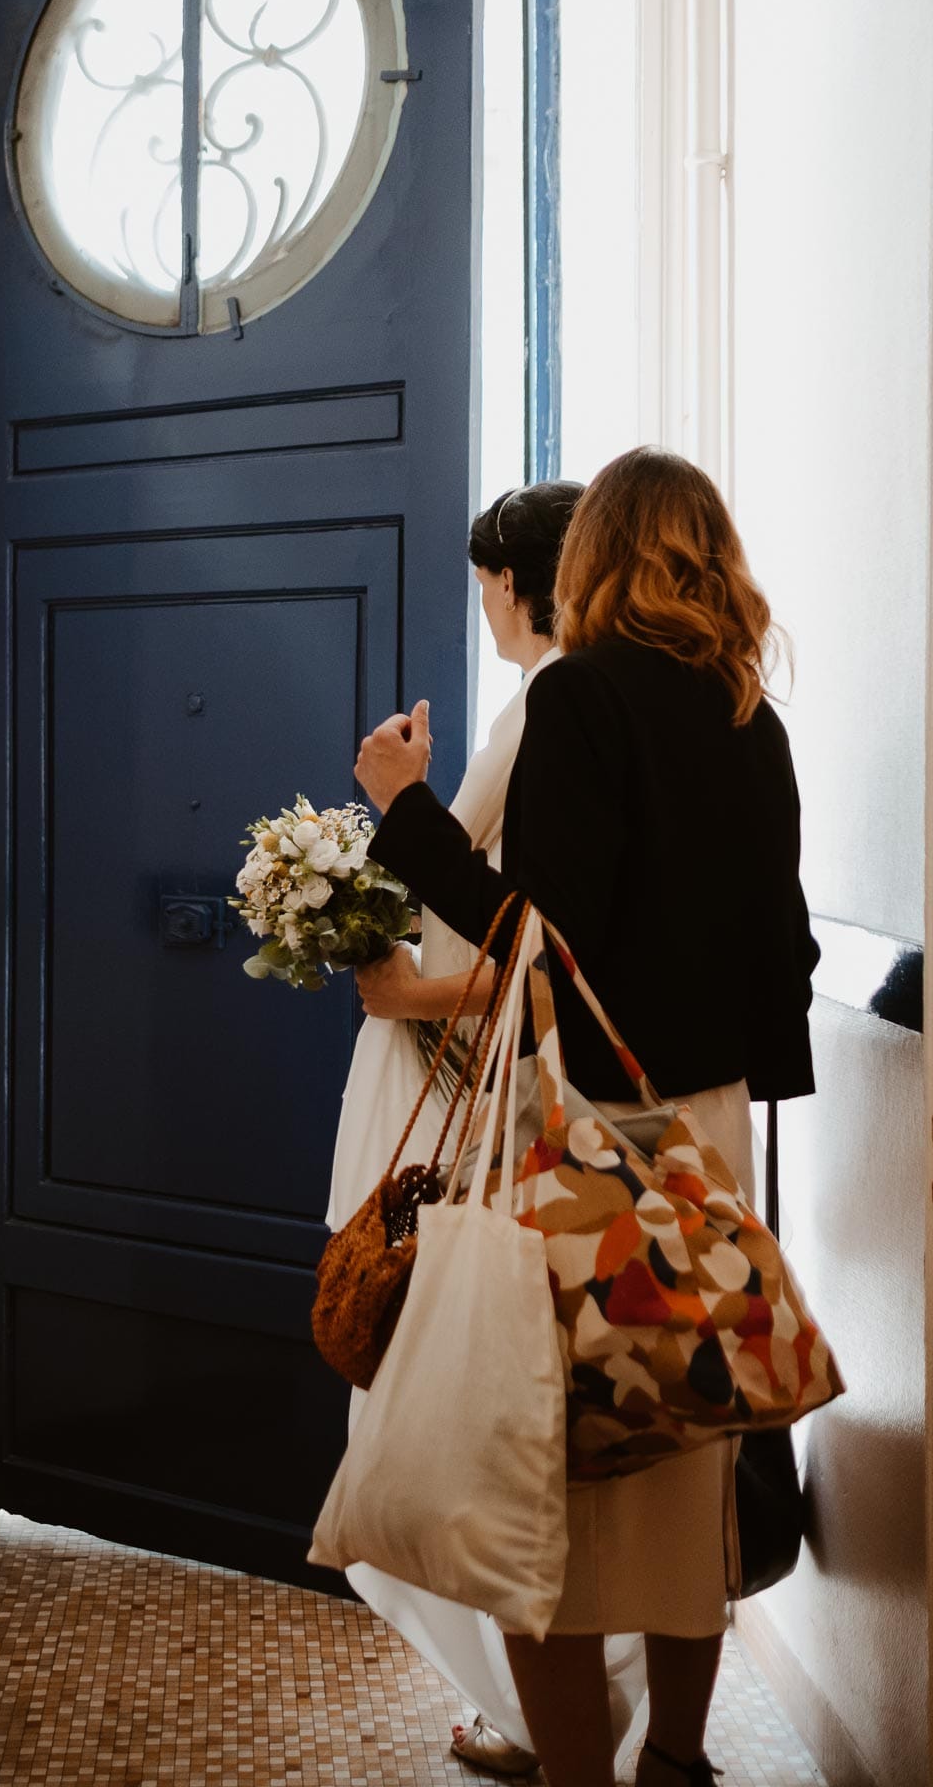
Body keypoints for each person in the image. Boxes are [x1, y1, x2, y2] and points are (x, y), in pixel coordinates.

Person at [356, 448, 819, 1787]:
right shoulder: (753, 718)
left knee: (535, 1484)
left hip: (585, 1133)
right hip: (710, 1133)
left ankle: (572, 1776)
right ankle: (675, 1759)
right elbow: (783, 950)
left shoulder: (579, 702)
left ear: (595, 559)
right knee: (688, 1479)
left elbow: (536, 932)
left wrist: (404, 811)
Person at [328, 479, 647, 1780]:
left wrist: (405, 985)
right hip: (473, 1063)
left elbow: (552, 942)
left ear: (525, 581)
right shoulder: (564, 703)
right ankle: (558, 1705)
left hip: (498, 1084)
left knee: (486, 1405)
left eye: (485, 584)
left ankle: (555, 1712)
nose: (486, 609)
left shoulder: (559, 704)